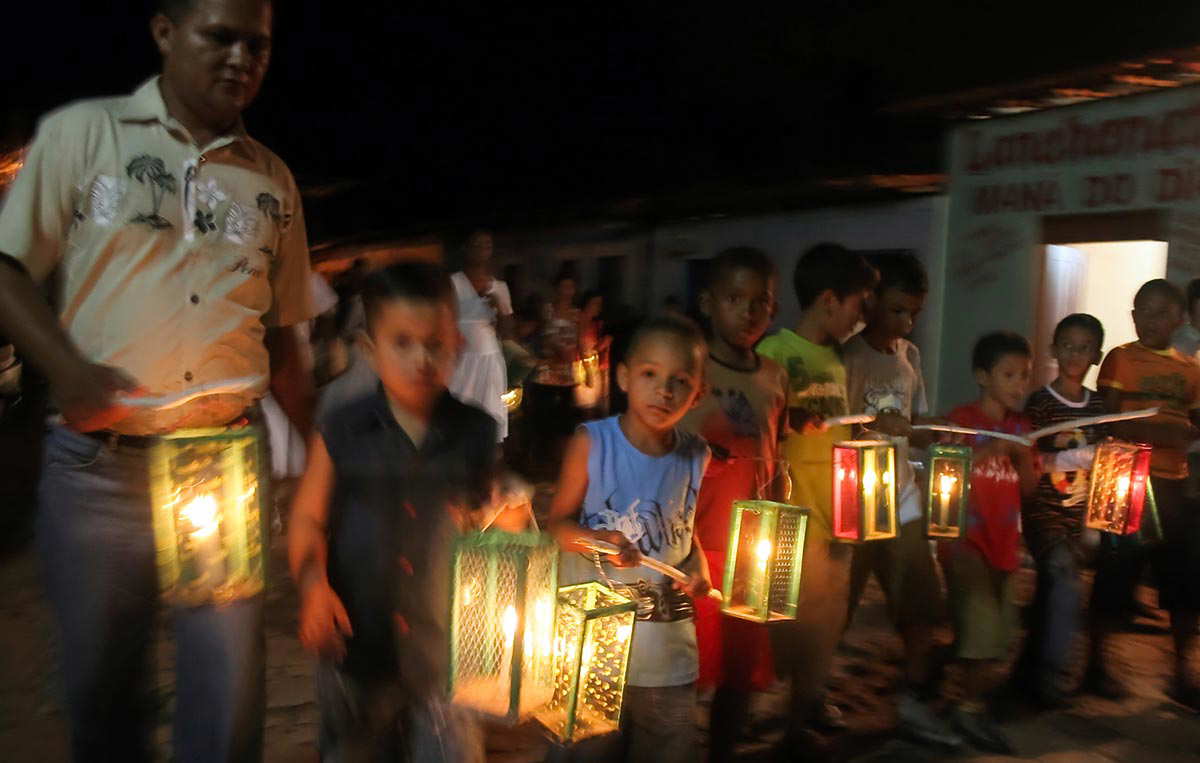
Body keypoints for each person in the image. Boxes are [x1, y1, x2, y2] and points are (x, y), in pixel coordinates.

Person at [0, 0, 315, 759]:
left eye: (258, 45)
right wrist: (68, 370)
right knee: (106, 701)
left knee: (228, 701)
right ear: (164, 30)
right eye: (220, 36)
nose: (242, 57)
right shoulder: (85, 136)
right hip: (100, 474)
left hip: (224, 472)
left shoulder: (273, 182)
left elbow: (283, 338)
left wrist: (311, 461)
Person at [288, 262, 526, 761]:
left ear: (456, 346)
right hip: (355, 645)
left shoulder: (476, 432)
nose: (421, 358)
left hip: (445, 655)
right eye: (402, 342)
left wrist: (507, 516)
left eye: (434, 344)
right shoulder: (341, 429)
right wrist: (313, 585)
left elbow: (486, 517)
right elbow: (308, 517)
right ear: (371, 351)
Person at [549, 315, 712, 763]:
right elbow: (558, 527)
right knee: (587, 750)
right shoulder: (594, 443)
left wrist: (698, 571)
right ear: (623, 376)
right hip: (594, 652)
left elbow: (684, 531)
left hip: (668, 651)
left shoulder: (696, 454)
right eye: (650, 374)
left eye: (680, 381)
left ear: (698, 391)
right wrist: (600, 541)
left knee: (667, 747)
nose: (664, 390)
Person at [756, 242, 877, 756]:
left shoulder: (835, 358)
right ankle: (775, 709)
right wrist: (787, 420)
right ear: (830, 300)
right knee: (786, 621)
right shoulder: (777, 352)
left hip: (836, 513)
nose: (861, 317)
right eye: (858, 304)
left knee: (827, 620)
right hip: (792, 513)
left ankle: (803, 712)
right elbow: (762, 428)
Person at [842, 252, 962, 748]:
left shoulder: (909, 356)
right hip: (854, 502)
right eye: (895, 309)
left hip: (904, 498)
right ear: (869, 304)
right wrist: (872, 425)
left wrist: (936, 435)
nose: (905, 322)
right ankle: (803, 704)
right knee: (837, 610)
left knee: (920, 604)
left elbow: (919, 423)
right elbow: (833, 428)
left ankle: (913, 700)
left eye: (913, 312)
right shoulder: (849, 358)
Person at [679, 247, 787, 761]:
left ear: (774, 308)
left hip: (753, 549)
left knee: (742, 668)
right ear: (708, 302)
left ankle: (722, 750)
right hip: (694, 545)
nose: (748, 312)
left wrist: (779, 486)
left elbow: (774, 445)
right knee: (688, 665)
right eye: (734, 299)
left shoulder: (773, 377)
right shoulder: (685, 372)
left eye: (760, 302)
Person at [1085, 279, 1200, 709]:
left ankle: (1182, 672)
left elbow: (1195, 426)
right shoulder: (1120, 358)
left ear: (1179, 319)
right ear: (1131, 316)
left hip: (1173, 483)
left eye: (1159, 312)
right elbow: (1111, 422)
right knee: (1115, 573)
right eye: (1141, 311)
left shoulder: (1191, 370)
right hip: (1122, 479)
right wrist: (1165, 431)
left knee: (1184, 580)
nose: (1148, 320)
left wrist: (1155, 431)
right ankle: (1096, 665)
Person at [940, 332, 1036, 754]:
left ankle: (960, 698)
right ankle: (966, 706)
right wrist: (990, 449)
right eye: (1009, 375)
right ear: (983, 376)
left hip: (1005, 543)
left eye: (1024, 376)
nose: (1019, 385)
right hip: (967, 540)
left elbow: (1030, 488)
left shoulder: (1023, 429)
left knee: (999, 634)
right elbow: (947, 473)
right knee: (978, 625)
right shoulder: (960, 420)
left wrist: (1018, 455)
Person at [1012, 314, 1107, 709]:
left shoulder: (1100, 406)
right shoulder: (1041, 404)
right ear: (1053, 349)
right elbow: (1032, 458)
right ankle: (1050, 675)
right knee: (1063, 576)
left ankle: (1035, 668)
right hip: (1043, 511)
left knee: (1060, 588)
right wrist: (1079, 456)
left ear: (1095, 355)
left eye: (1083, 347)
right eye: (1066, 345)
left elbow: (1105, 464)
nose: (1073, 354)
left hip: (1080, 513)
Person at [449, 230, 514, 442]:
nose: (482, 250)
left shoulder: (500, 287)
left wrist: (499, 307)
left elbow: (507, 333)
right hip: (461, 362)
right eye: (476, 245)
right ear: (466, 249)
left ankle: (487, 469)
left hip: (490, 362)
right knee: (458, 423)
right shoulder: (453, 283)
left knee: (489, 424)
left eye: (487, 245)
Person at [527, 264, 582, 479]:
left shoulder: (576, 314)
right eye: (563, 287)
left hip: (567, 377)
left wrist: (573, 355)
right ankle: (542, 465)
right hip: (546, 375)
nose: (566, 292)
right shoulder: (547, 310)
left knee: (566, 424)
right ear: (556, 289)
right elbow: (544, 337)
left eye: (570, 287)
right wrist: (556, 349)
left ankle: (562, 467)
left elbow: (577, 340)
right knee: (544, 423)